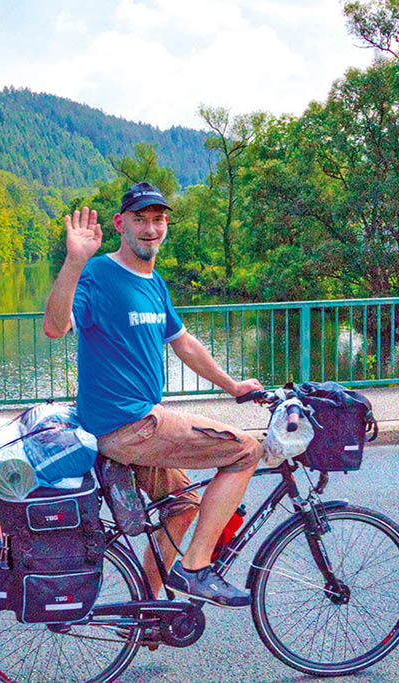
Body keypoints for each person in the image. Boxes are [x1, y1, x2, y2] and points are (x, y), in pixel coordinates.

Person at [42, 182, 265, 607]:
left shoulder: (154, 282)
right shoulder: (98, 275)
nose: (150, 229)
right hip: (130, 425)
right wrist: (74, 260)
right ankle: (195, 568)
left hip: (141, 420)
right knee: (246, 451)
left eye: (158, 219)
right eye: (140, 219)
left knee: (182, 508)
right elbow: (55, 327)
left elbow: (183, 343)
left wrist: (233, 386)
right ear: (120, 224)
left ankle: (144, 611)